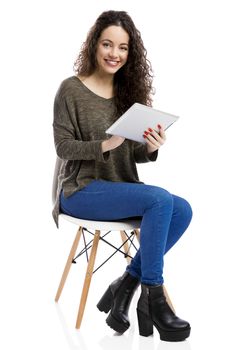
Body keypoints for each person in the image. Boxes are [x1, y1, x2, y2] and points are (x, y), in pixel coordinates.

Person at [52, 10, 193, 341]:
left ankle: (126, 283)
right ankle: (153, 299)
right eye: (107, 44)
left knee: (183, 208)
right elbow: (62, 147)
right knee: (158, 199)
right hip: (81, 190)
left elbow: (132, 154)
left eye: (123, 48)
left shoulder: (130, 95)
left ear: (131, 53)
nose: (114, 54)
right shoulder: (70, 90)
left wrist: (151, 147)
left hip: (119, 189)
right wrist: (105, 143)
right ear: (94, 45)